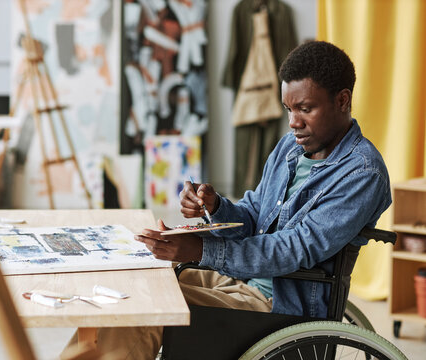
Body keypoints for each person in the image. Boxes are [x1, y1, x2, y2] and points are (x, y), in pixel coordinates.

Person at [62, 40, 392, 360]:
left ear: (342, 100)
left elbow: (294, 249)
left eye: (306, 109)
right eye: (289, 109)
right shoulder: (290, 149)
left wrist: (203, 250)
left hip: (277, 304)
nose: (293, 122)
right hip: (242, 279)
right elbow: (253, 214)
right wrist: (216, 206)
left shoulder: (362, 174)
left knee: (147, 307)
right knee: (131, 281)